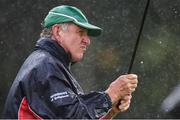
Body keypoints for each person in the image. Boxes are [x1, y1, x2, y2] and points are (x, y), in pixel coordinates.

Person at [3, 5, 138, 119]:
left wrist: (110, 110)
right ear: (58, 31)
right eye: (80, 32)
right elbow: (71, 116)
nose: (87, 40)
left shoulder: (50, 63)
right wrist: (111, 95)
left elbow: (71, 113)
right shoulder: (46, 66)